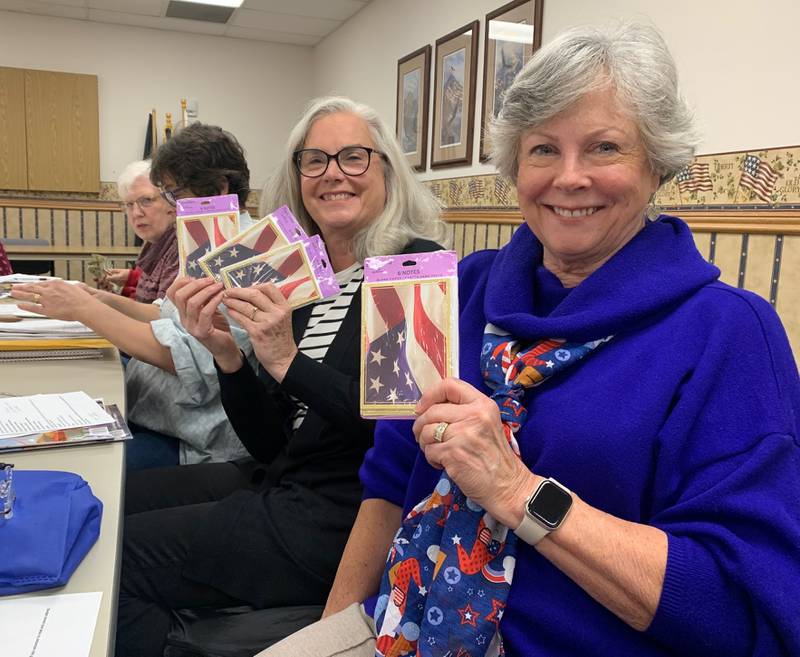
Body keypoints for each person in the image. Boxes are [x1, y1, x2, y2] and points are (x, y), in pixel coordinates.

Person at [261, 23, 800, 657]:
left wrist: (518, 491)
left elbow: (740, 607)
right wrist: (332, 639)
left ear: (657, 165)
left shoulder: (727, 333)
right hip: (396, 628)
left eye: (604, 148)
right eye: (543, 149)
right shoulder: (457, 291)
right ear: (515, 166)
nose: (569, 178)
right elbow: (385, 483)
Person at [113, 96, 450, 657]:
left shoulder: (410, 271)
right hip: (280, 480)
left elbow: (397, 433)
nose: (331, 173)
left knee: (119, 556)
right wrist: (227, 355)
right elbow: (272, 443)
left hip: (339, 515)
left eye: (353, 157)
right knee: (117, 499)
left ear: (387, 171)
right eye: (313, 160)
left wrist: (289, 362)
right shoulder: (308, 276)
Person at [12, 123, 254, 468]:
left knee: (70, 468)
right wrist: (100, 299)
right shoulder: (212, 241)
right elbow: (167, 317)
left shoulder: (243, 253)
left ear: (218, 187)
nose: (171, 206)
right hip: (156, 415)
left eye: (174, 193)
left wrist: (84, 308)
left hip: (191, 440)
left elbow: (191, 359)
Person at [94, 160, 178, 303]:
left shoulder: (180, 250)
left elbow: (162, 318)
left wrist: (102, 300)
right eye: (129, 204)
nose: (136, 213)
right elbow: (143, 301)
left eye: (146, 200)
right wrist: (119, 291)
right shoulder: (153, 245)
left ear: (172, 203)